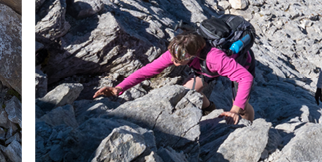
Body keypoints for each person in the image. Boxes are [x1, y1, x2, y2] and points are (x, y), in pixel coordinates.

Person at [93, 32, 256, 124]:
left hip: (241, 65)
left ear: (193, 54)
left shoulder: (215, 58)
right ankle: (210, 110)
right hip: (207, 69)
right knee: (187, 92)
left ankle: (246, 125)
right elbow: (148, 70)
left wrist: (235, 109)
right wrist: (120, 88)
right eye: (173, 59)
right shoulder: (178, 51)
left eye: (179, 61)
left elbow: (245, 78)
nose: (175, 64)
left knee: (241, 104)